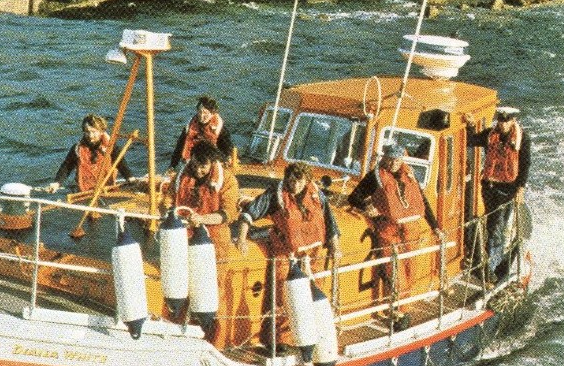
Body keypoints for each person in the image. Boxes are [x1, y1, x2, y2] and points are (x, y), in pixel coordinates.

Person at [236, 161, 341, 352]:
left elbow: (330, 223)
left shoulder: (317, 195)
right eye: (291, 181)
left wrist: (335, 246)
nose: (295, 185)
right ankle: (281, 339)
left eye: (300, 182)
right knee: (283, 294)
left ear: (307, 181)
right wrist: (241, 238)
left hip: (313, 254)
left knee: (314, 291)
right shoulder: (275, 195)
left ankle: (314, 333)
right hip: (286, 253)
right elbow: (249, 213)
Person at [347, 143, 442, 330]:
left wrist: (435, 226)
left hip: (410, 230)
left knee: (410, 269)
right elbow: (354, 197)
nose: (393, 163)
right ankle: (399, 313)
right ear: (384, 158)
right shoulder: (375, 178)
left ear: (402, 160)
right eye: (390, 159)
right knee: (394, 272)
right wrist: (368, 208)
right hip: (388, 229)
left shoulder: (409, 176)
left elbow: (422, 201)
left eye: (397, 160)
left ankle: (404, 309)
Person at [163, 141, 240, 347]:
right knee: (179, 288)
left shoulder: (227, 180)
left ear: (212, 163)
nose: (198, 170)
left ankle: (216, 343)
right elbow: (170, 196)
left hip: (213, 242)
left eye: (203, 167)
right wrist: (168, 207)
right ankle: (176, 338)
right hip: (184, 240)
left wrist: (203, 219)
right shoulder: (183, 175)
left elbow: (228, 213)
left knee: (214, 293)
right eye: (195, 165)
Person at [465, 106, 531, 283]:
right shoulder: (489, 135)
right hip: (489, 187)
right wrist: (471, 125)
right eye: (500, 120)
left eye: (506, 120)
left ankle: (491, 267)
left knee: (497, 228)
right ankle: (489, 258)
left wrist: (520, 189)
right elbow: (471, 141)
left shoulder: (522, 139)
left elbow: (525, 164)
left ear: (513, 121)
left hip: (508, 189)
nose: (502, 124)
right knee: (491, 224)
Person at [45, 114, 132, 193]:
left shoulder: (111, 148)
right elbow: (66, 167)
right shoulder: (77, 149)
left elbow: (121, 164)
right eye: (87, 132)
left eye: (94, 132)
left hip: (106, 190)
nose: (90, 136)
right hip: (83, 191)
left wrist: (130, 178)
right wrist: (57, 183)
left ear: (101, 132)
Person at [169, 96, 234, 172]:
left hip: (210, 160)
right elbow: (179, 147)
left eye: (205, 113)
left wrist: (228, 157)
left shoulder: (219, 128)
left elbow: (226, 145)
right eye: (200, 112)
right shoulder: (189, 127)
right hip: (193, 160)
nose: (201, 116)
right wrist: (172, 165)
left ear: (212, 114)